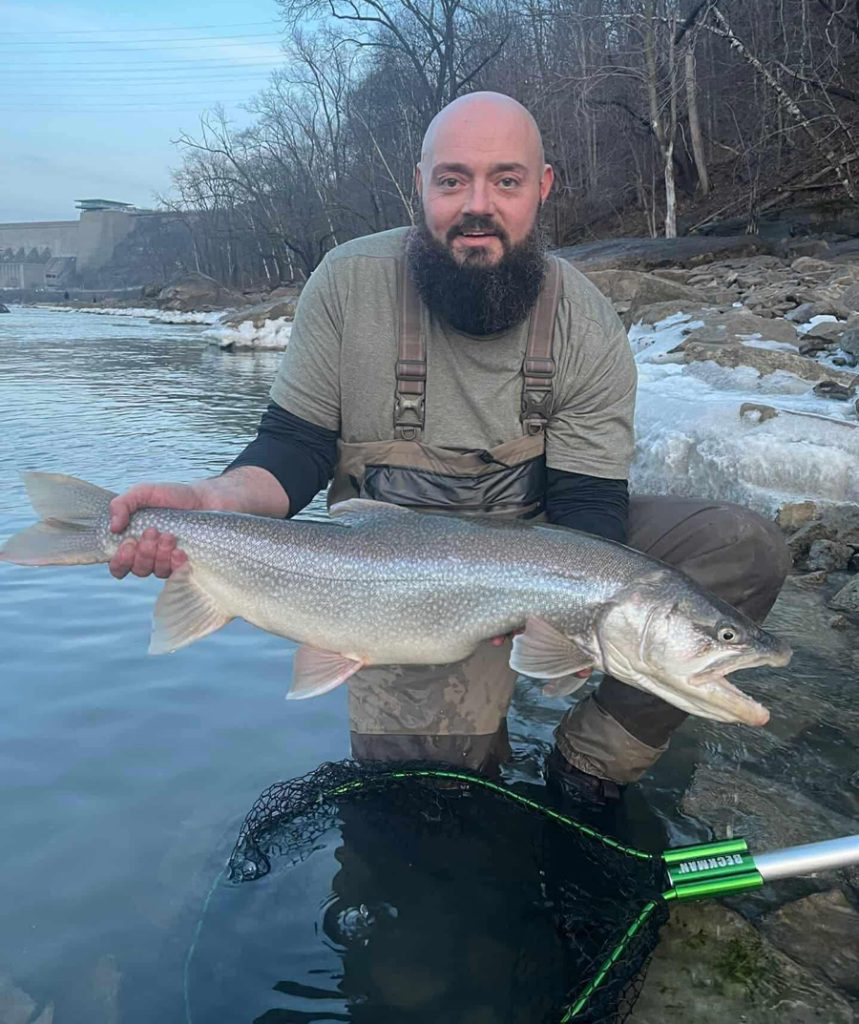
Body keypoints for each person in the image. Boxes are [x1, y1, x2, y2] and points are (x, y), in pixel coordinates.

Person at [107, 92, 790, 807]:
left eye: (505, 180)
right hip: (387, 578)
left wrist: (561, 625)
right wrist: (210, 503)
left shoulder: (585, 321)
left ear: (543, 187)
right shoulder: (347, 283)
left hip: (536, 547)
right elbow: (293, 449)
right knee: (430, 801)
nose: (477, 205)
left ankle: (591, 763)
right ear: (420, 183)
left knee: (740, 547)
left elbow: (588, 506)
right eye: (452, 180)